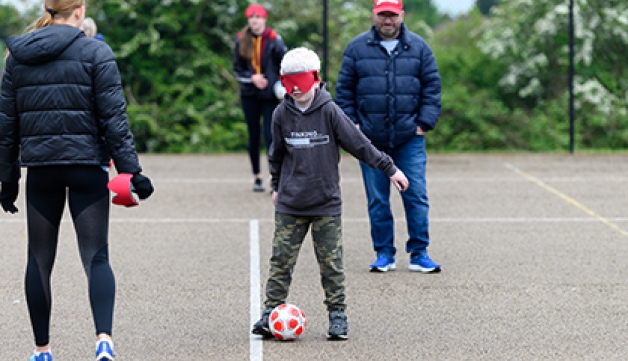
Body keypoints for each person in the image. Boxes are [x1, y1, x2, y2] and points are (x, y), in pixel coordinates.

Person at [0, 1, 154, 360]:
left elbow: (6, 126)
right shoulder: (96, 51)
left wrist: (7, 179)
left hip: (41, 169)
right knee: (96, 257)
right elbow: (114, 119)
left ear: (47, 9)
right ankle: (103, 341)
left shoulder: (16, 56)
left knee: (38, 259)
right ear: (79, 11)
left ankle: (42, 351)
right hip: (87, 167)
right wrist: (132, 172)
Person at [251, 47, 409, 340]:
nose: (295, 89)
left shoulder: (330, 111)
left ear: (315, 78)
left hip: (326, 204)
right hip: (290, 204)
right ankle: (270, 312)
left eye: (300, 81)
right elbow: (276, 155)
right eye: (288, 83)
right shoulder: (280, 114)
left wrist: (390, 169)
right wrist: (276, 186)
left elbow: (360, 145)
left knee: (331, 264)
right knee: (280, 261)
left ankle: (338, 316)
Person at [335, 0, 442, 274]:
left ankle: (419, 253)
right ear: (374, 15)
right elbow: (344, 91)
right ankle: (384, 253)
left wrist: (423, 124)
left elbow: (432, 87)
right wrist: (353, 127)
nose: (387, 20)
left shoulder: (419, 47)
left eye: (392, 15)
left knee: (416, 195)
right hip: (370, 141)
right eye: (382, 15)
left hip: (409, 138)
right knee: (378, 199)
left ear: (401, 15)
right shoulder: (357, 48)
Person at [233, 4, 286, 192]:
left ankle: (274, 177)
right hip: (249, 94)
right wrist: (252, 78)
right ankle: (257, 177)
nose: (254, 20)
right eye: (251, 17)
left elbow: (284, 64)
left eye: (258, 17)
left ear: (264, 19)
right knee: (253, 135)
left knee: (271, 136)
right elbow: (237, 70)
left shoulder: (274, 39)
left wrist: (279, 85)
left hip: (269, 95)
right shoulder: (241, 39)